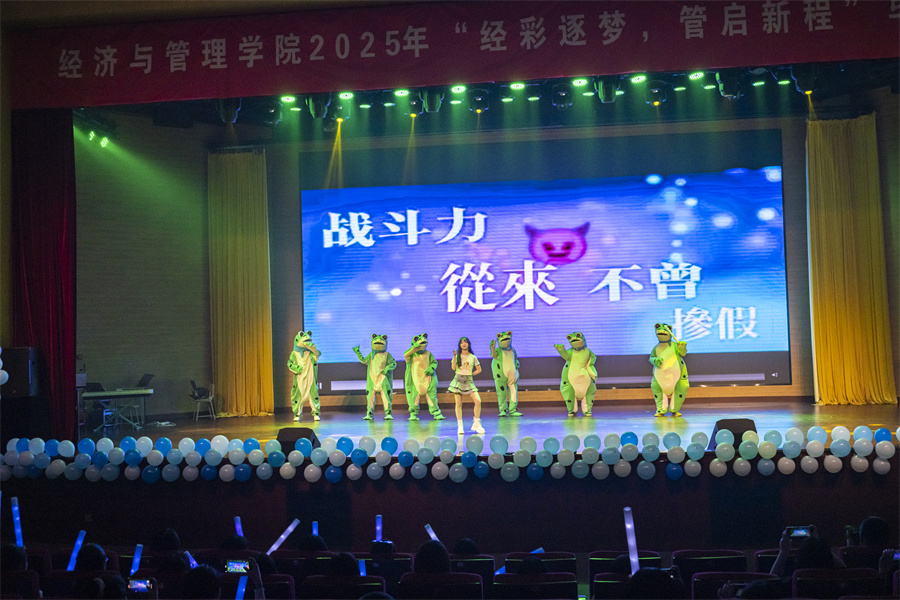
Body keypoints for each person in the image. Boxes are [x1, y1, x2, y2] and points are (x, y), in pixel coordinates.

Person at [448, 337, 485, 434]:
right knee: (458, 403)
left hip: (469, 381)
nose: (463, 344)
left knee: (478, 401)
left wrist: (471, 374)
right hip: (458, 380)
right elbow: (453, 368)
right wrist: (454, 355)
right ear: (459, 345)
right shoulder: (457, 356)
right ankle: (460, 426)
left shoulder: (473, 357)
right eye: (461, 343)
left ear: (468, 344)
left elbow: (479, 369)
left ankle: (476, 424)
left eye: (465, 342)